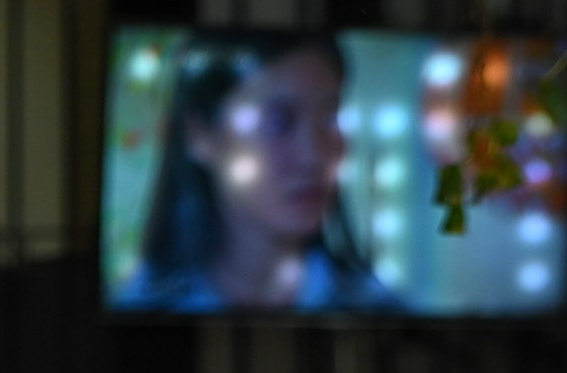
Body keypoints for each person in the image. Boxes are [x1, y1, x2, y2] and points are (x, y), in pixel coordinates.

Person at [114, 31, 399, 313]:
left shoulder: (380, 313)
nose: (312, 156)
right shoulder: (142, 312)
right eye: (278, 122)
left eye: (328, 117)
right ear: (200, 135)